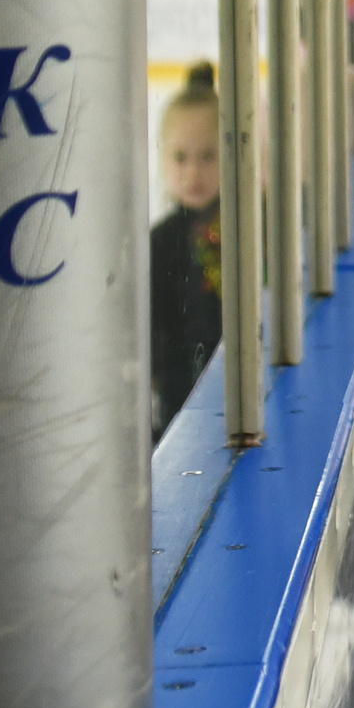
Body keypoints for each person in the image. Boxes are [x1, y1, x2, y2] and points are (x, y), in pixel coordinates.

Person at [150, 64, 224, 437]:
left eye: (208, 156)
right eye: (181, 158)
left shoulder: (248, 236)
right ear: (163, 159)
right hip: (176, 417)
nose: (193, 172)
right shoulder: (158, 242)